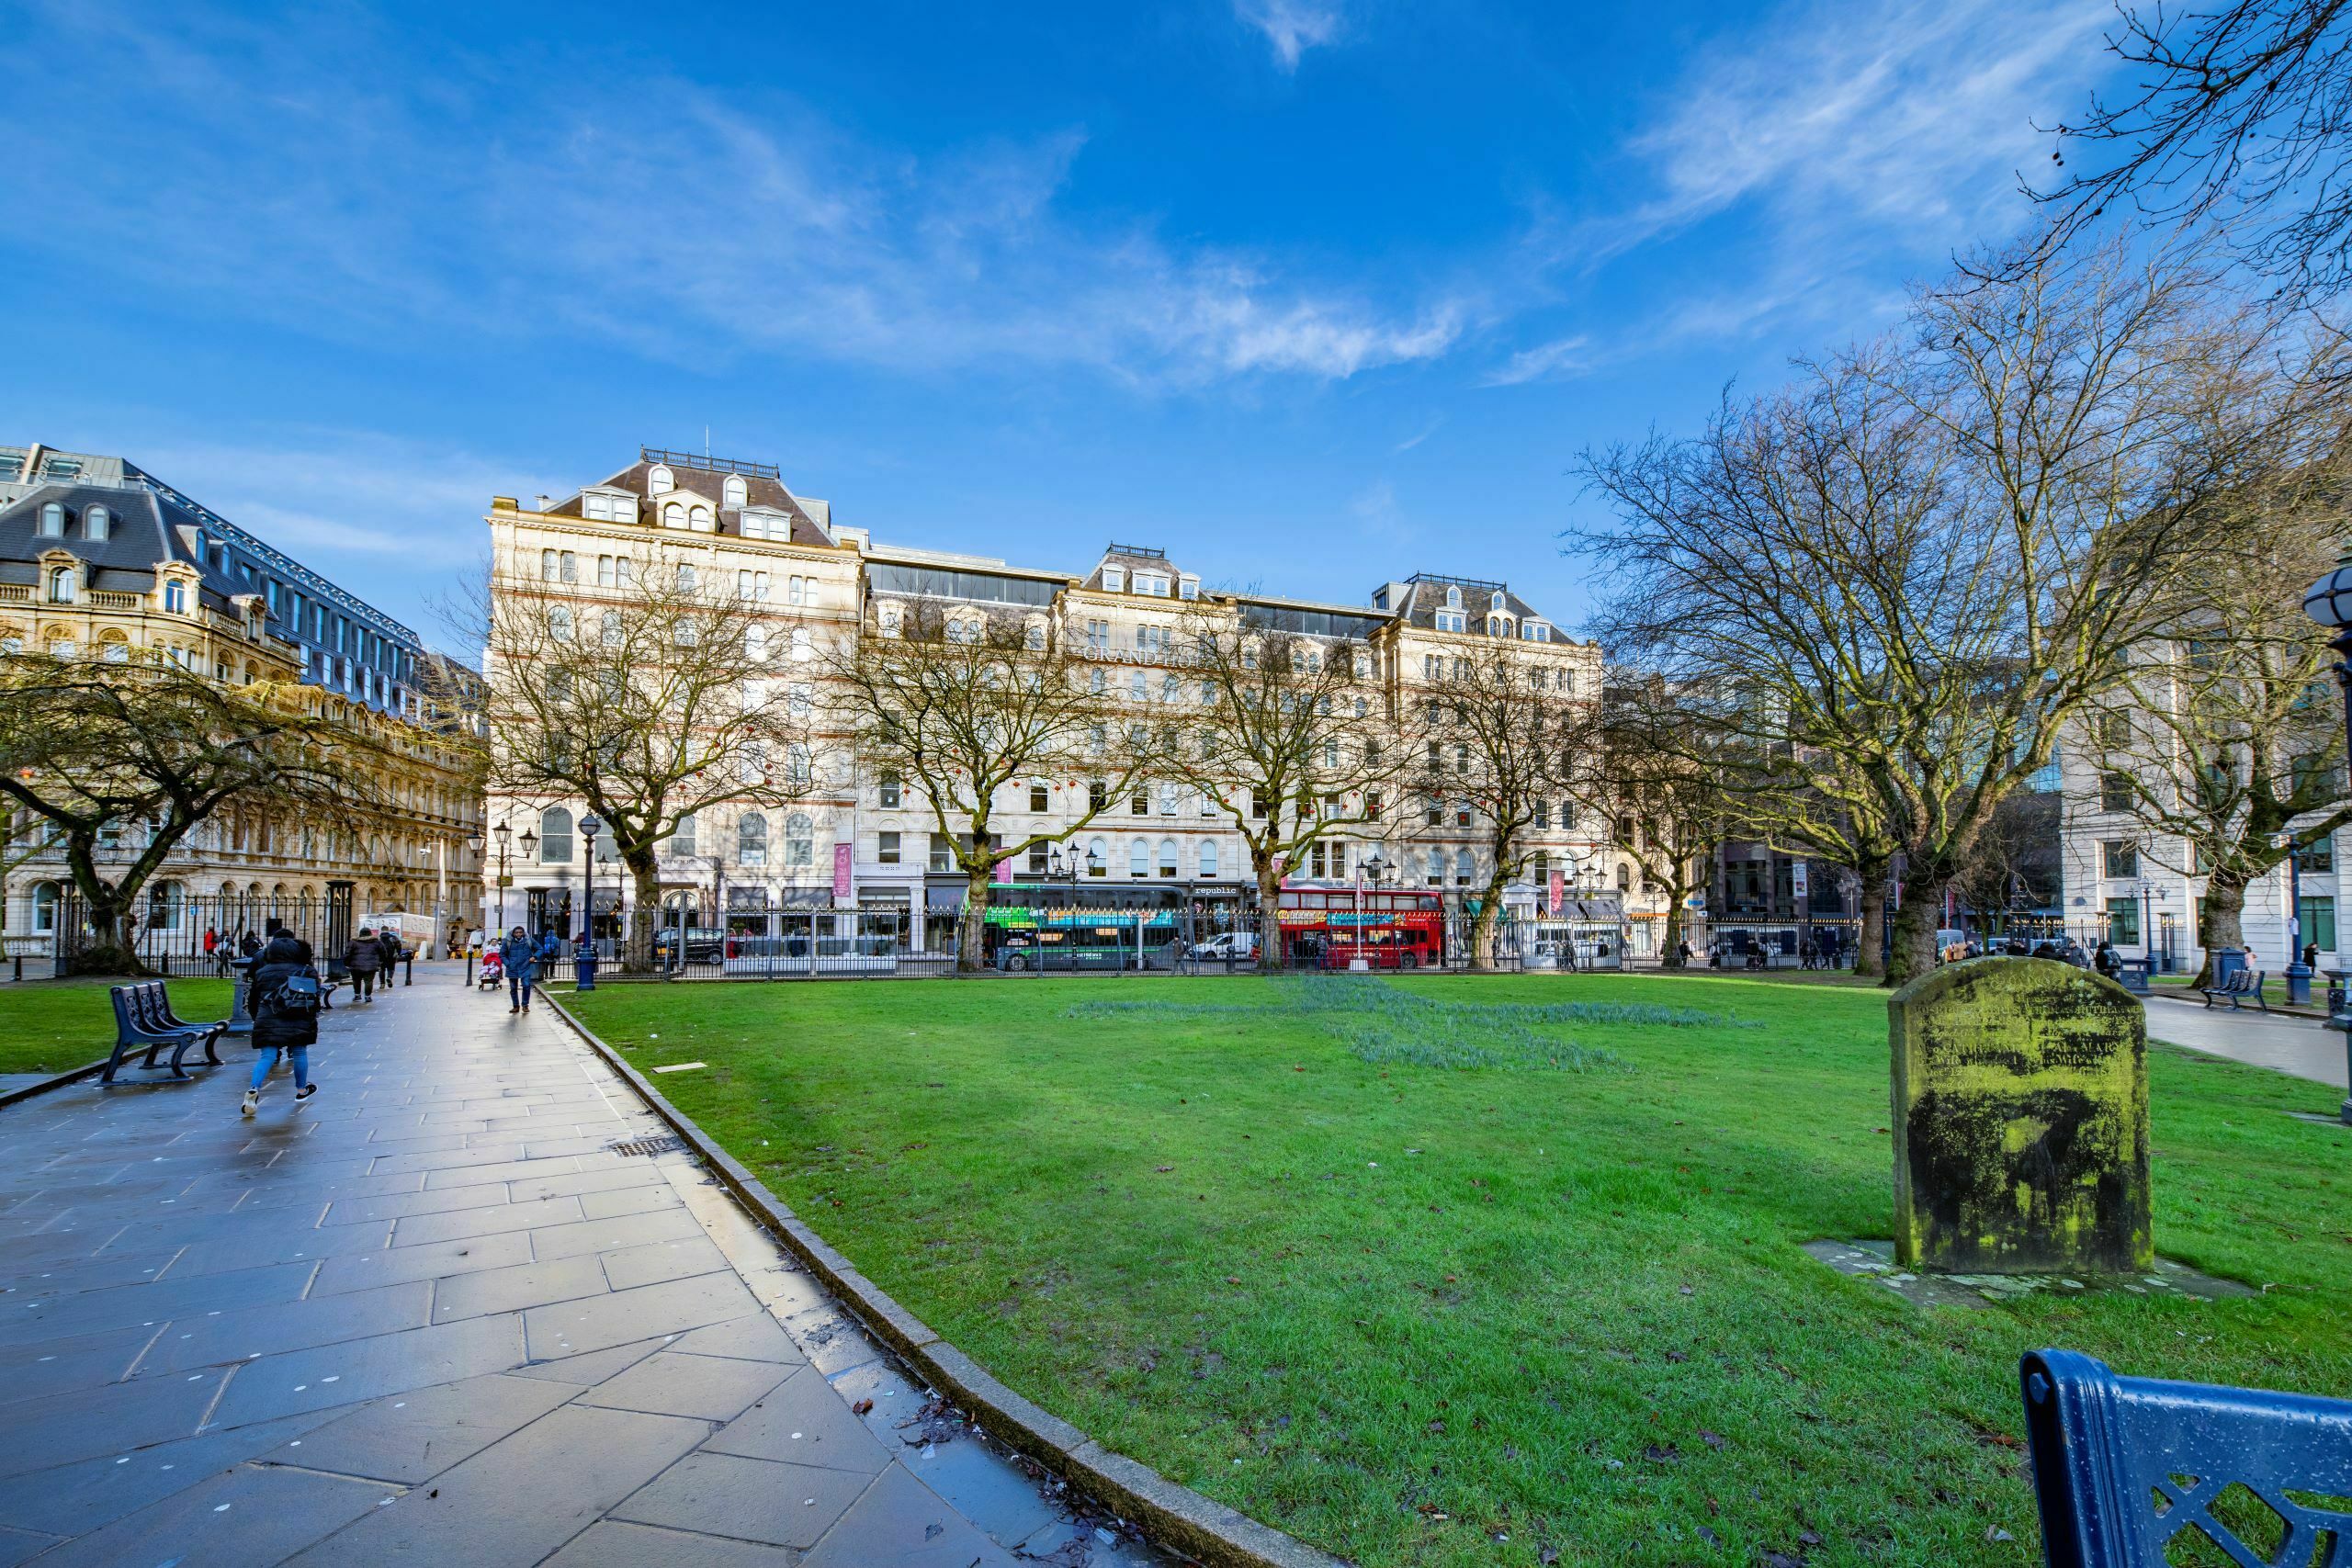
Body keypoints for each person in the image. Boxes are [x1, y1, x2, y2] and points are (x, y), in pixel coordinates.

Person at [242, 931, 322, 1117]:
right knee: (300, 1053)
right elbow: (315, 996)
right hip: (299, 1016)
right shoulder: (306, 970)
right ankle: (301, 1090)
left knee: (267, 1056)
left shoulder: (262, 972)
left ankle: (254, 1088)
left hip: (268, 1017)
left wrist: (257, 1018)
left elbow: (254, 999)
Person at [501, 925, 537, 1013]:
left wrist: (534, 957)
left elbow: (539, 948)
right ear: (513, 933)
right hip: (512, 967)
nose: (518, 934)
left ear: (523, 933)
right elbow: (502, 954)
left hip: (525, 966)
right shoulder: (507, 942)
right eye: (516, 932)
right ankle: (515, 1006)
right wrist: (508, 964)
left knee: (526, 986)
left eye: (520, 932)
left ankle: (525, 1005)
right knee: (513, 988)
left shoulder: (529, 940)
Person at [344, 925, 383, 1002]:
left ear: (360, 934)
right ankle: (368, 996)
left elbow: (347, 954)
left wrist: (347, 963)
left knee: (356, 980)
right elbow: (383, 952)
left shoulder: (353, 942)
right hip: (371, 966)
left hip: (355, 966)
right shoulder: (376, 942)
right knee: (369, 981)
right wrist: (379, 962)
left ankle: (357, 995)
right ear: (370, 933)